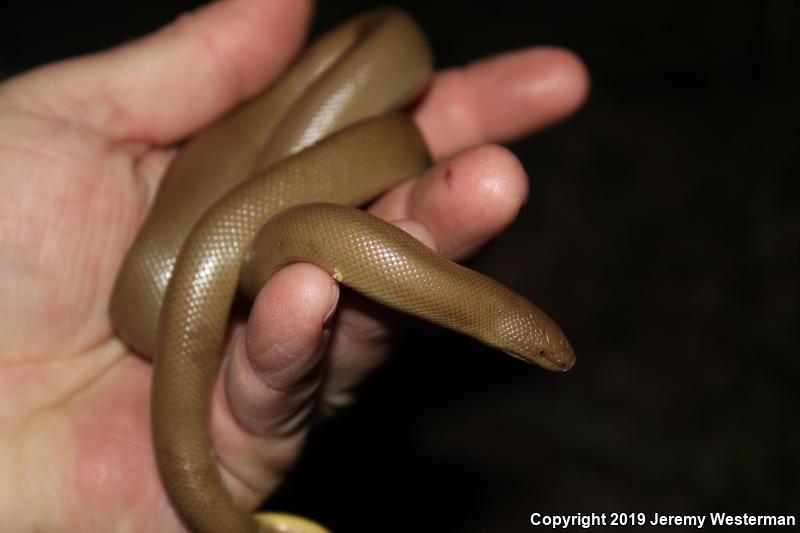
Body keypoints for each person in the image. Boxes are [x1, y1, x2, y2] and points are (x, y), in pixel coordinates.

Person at [0, 0, 588, 530]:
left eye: (539, 352)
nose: (546, 357)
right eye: (538, 350)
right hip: (196, 278)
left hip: (244, 250)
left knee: (284, 270)